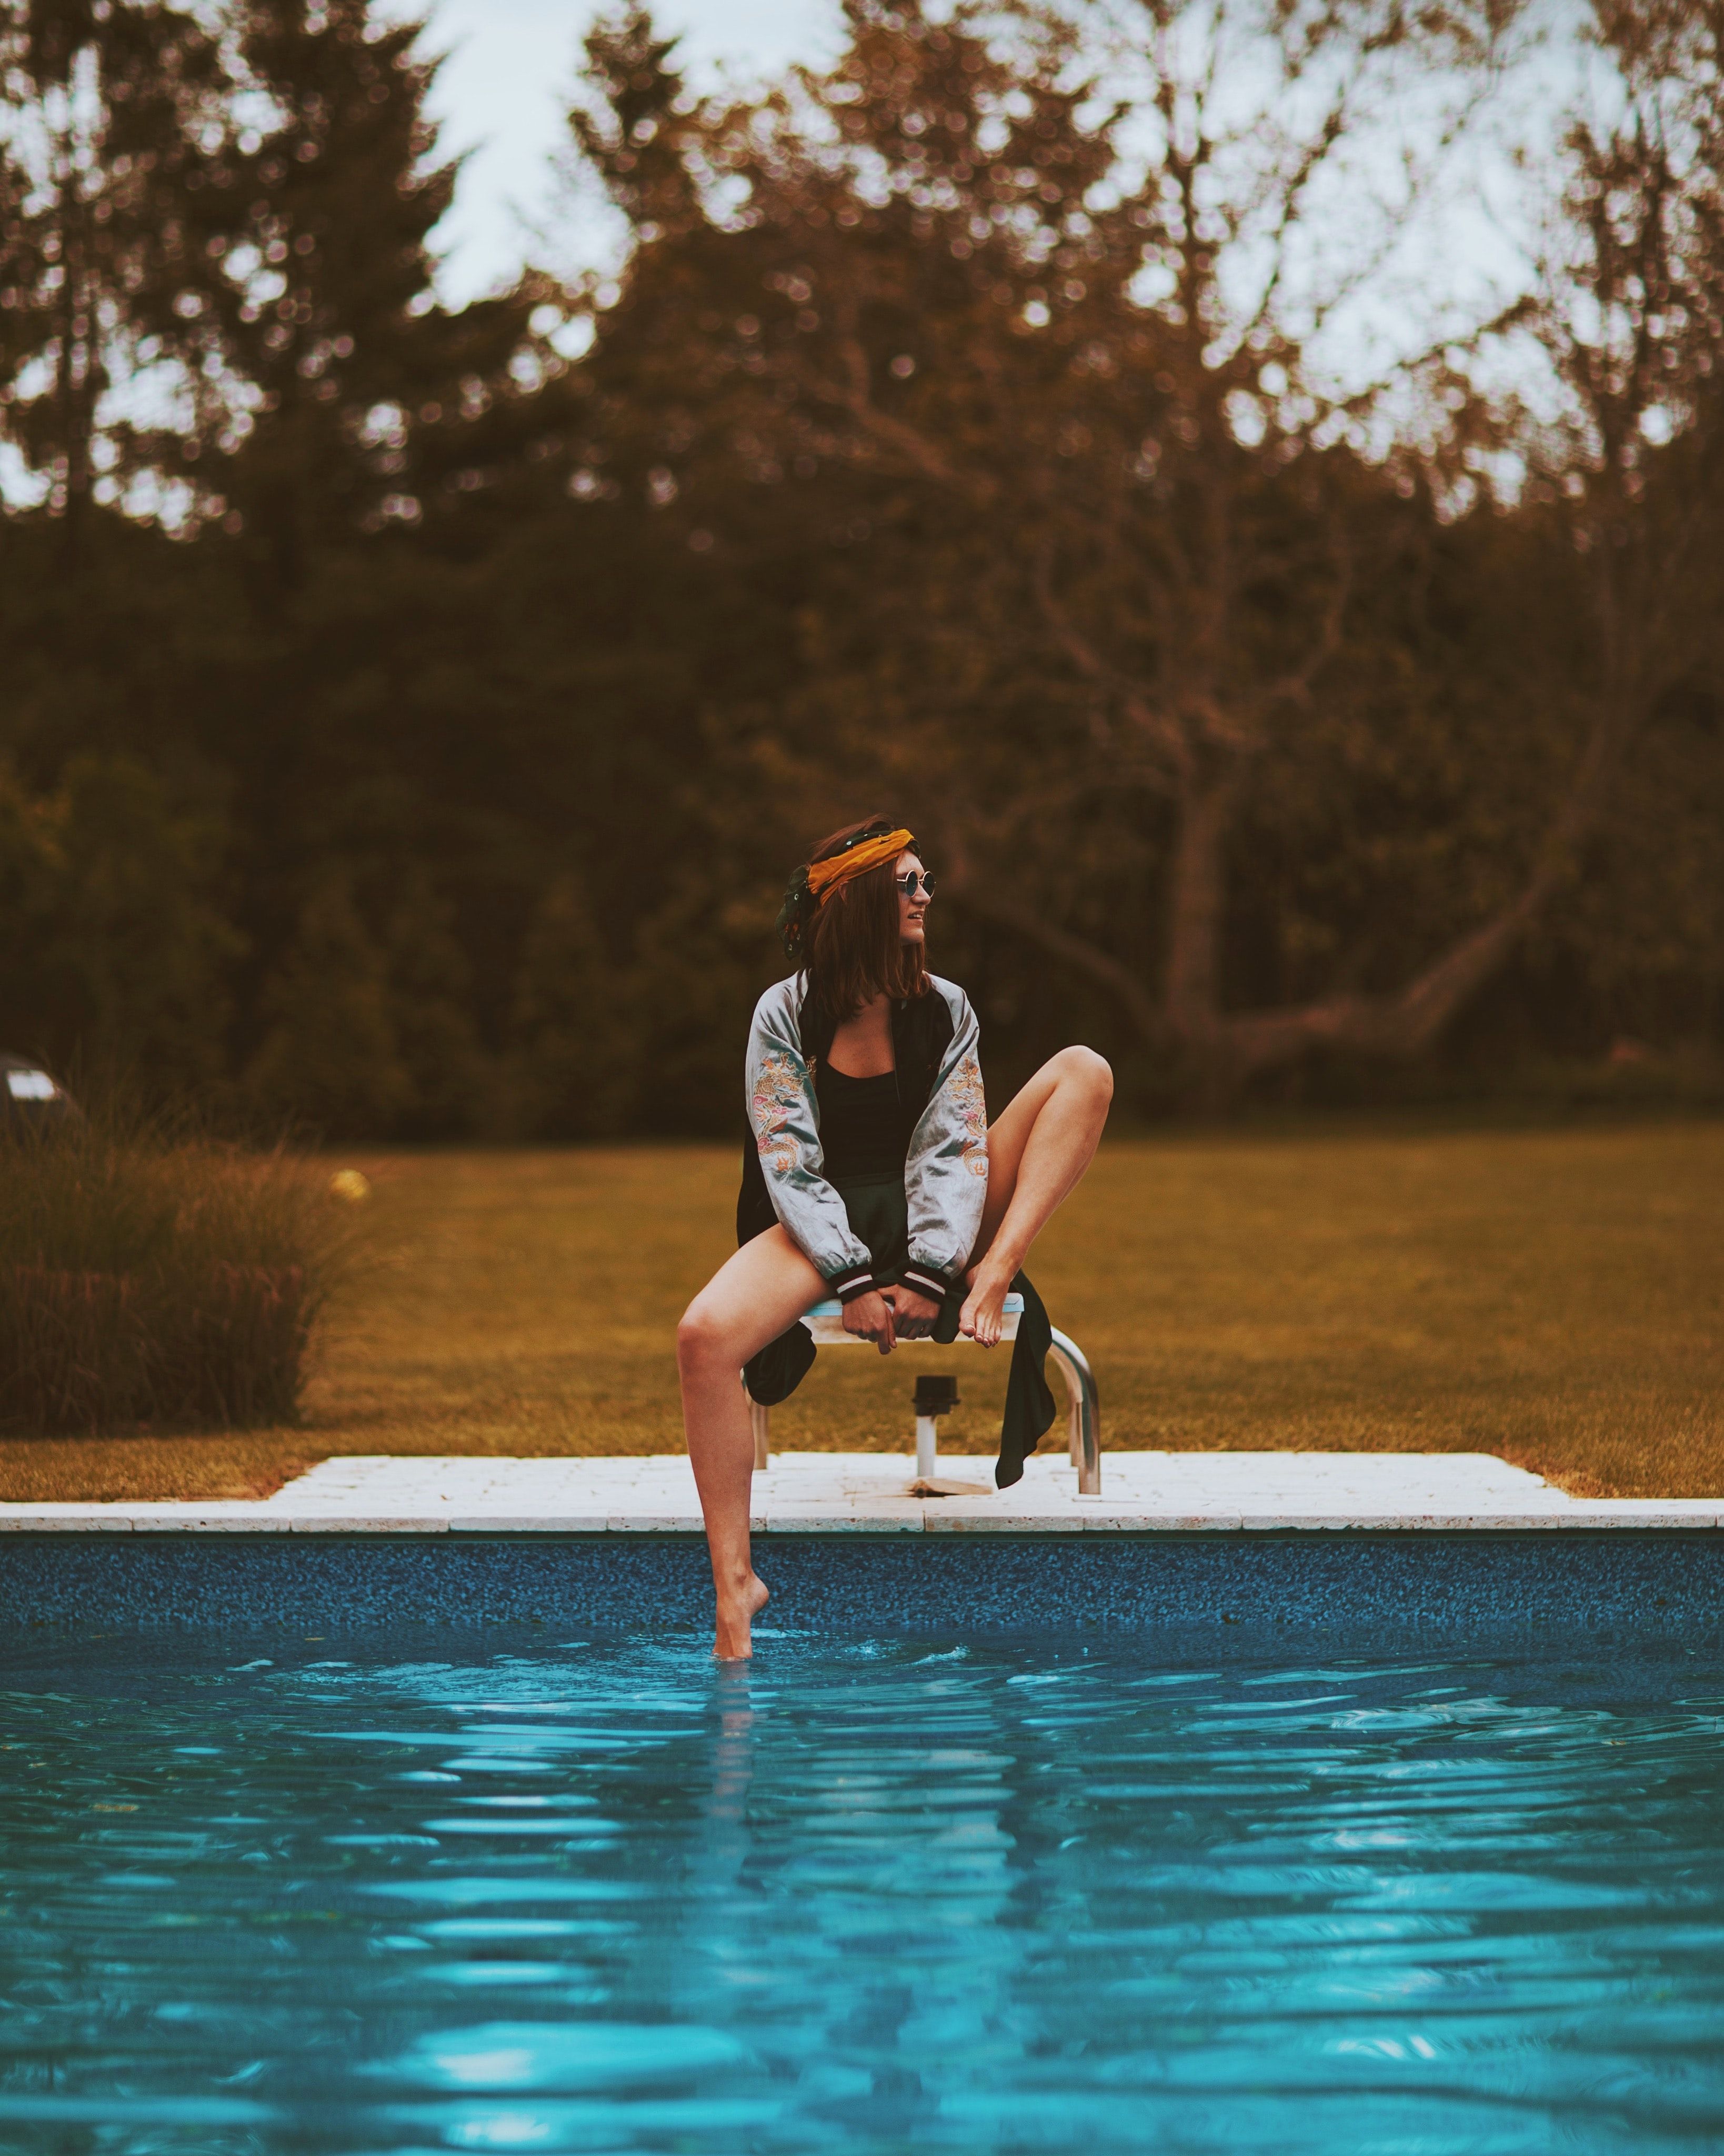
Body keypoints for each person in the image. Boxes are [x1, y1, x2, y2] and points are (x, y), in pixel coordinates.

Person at [676, 817, 1113, 1657]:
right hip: (821, 1223)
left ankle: (997, 1270)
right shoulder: (785, 1014)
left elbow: (956, 1147)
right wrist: (850, 1279)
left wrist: (930, 1272)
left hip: (937, 1219)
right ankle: (736, 1588)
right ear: (860, 903)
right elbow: (789, 1164)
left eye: (925, 883)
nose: (924, 897)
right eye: (908, 884)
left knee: (1084, 1070)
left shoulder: (946, 1009)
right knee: (702, 1336)